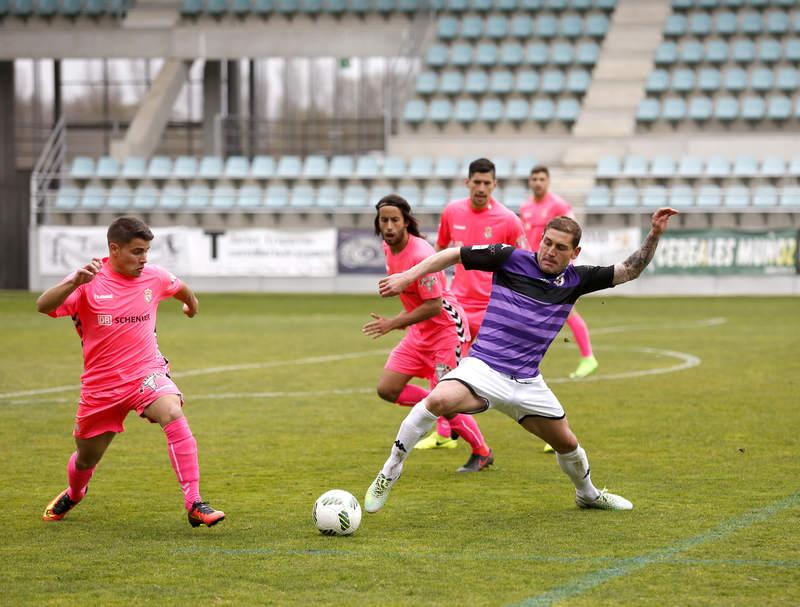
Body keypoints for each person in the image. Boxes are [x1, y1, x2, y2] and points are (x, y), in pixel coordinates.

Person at [364, 207, 679, 514]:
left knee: (568, 445)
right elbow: (454, 254)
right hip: (484, 369)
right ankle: (389, 471)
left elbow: (629, 269)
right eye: (547, 242)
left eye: (560, 247)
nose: (550, 251)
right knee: (437, 400)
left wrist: (654, 234)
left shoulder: (577, 280)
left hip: (528, 382)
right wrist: (409, 275)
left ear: (575, 252)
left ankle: (589, 495)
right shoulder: (510, 258)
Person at [37, 216, 224, 528]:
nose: (144, 258)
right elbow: (43, 305)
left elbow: (182, 289)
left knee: (173, 412)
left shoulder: (153, 276)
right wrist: (73, 283)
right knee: (86, 458)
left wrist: (191, 304)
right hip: (102, 386)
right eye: (137, 251)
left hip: (145, 374)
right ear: (114, 249)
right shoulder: (88, 280)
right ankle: (75, 491)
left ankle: (194, 502)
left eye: (147, 251)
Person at [362, 195, 494, 472]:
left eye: (394, 220)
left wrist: (393, 322)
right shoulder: (389, 248)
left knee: (447, 402)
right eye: (383, 220)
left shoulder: (421, 255)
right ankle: (437, 406)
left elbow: (434, 306)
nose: (388, 226)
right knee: (388, 389)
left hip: (447, 330)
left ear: (406, 222)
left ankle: (482, 452)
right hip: (420, 332)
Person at [415, 157, 527, 456]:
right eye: (475, 182)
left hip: (495, 310)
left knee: (512, 372)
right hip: (459, 307)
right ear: (467, 183)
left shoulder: (508, 220)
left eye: (486, 183)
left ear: (495, 184)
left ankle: (542, 420)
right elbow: (439, 251)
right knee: (444, 368)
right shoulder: (452, 211)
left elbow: (524, 262)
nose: (480, 188)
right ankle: (444, 433)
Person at [519, 165, 598, 381]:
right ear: (529, 181)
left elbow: (573, 235)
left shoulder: (558, 205)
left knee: (567, 311)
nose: (537, 182)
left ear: (548, 181)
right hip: (533, 268)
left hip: (555, 269)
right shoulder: (525, 207)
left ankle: (588, 357)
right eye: (534, 178)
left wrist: (569, 268)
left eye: (541, 179)